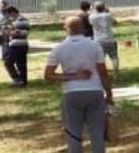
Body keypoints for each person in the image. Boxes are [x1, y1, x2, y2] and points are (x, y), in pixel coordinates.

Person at [45, 16, 113, 153]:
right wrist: (109, 93)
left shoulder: (59, 48)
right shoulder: (94, 45)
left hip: (71, 93)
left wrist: (74, 76)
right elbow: (102, 72)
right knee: (97, 133)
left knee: (74, 135)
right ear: (83, 27)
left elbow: (48, 75)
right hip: (94, 91)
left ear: (65, 28)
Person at [89, 1, 119, 78]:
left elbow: (90, 22)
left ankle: (101, 75)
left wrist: (93, 10)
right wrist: (108, 11)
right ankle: (115, 74)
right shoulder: (108, 16)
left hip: (98, 40)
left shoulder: (92, 17)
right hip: (109, 39)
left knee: (99, 59)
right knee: (114, 57)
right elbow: (115, 22)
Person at [5, 7, 30, 86]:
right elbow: (10, 31)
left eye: (9, 15)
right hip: (15, 44)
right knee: (21, 64)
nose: (8, 17)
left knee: (8, 63)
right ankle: (23, 81)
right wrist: (12, 31)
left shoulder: (22, 20)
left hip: (19, 44)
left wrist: (11, 32)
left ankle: (17, 79)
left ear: (12, 12)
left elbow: (23, 33)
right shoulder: (14, 21)